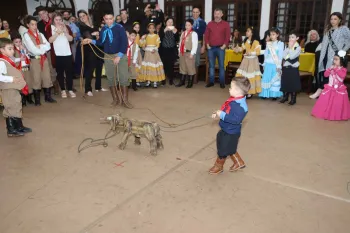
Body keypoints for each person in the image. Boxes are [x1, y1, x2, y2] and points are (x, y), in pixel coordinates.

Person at [83, 12, 132, 108]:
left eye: (110, 18)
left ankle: (125, 100)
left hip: (120, 56)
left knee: (123, 77)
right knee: (111, 78)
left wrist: (119, 56)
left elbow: (124, 42)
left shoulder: (120, 28)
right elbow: (101, 42)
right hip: (108, 56)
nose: (109, 21)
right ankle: (115, 99)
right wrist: (91, 41)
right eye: (106, 19)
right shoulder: (104, 29)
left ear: (113, 18)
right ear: (104, 19)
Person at [209, 77, 250, 174]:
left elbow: (235, 120)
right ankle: (239, 162)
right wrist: (218, 113)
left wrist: (222, 114)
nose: (229, 89)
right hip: (226, 128)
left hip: (231, 131)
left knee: (223, 150)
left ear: (237, 91)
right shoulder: (234, 100)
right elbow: (227, 109)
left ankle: (218, 166)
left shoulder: (241, 107)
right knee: (228, 146)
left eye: (231, 87)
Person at [311, 12, 350, 99]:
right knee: (325, 73)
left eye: (335, 19)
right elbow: (325, 43)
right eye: (331, 19)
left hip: (336, 56)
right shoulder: (328, 30)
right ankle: (324, 92)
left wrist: (343, 50)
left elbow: (349, 41)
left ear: (340, 20)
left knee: (334, 75)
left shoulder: (343, 29)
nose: (333, 21)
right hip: (325, 55)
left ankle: (321, 90)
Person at [0, 38, 32, 137]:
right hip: (8, 88)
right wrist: (11, 79)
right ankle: (11, 129)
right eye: (9, 49)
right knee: (10, 107)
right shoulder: (1, 62)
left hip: (13, 88)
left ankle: (19, 126)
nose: (13, 51)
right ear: (2, 50)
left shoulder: (8, 59)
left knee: (16, 105)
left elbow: (15, 60)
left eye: (13, 49)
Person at [23, 16, 56, 106]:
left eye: (36, 24)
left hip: (43, 59)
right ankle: (37, 100)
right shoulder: (26, 35)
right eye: (32, 24)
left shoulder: (40, 34)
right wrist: (42, 46)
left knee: (46, 77)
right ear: (28, 25)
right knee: (36, 78)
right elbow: (33, 50)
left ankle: (47, 97)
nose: (34, 26)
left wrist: (40, 46)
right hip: (35, 59)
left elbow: (48, 46)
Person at [311, 51, 350, 121]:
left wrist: (336, 69)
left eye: (336, 59)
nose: (334, 61)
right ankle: (324, 113)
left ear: (342, 61)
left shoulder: (343, 69)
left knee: (336, 103)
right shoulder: (332, 67)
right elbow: (326, 75)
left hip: (338, 89)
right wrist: (329, 70)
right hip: (330, 87)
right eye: (334, 59)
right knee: (325, 101)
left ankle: (335, 115)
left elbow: (342, 77)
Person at [48, 13, 76, 99]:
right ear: (53, 21)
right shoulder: (50, 28)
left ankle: (70, 89)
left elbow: (71, 39)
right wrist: (57, 33)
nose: (59, 21)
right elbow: (50, 40)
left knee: (69, 73)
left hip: (67, 53)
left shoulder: (66, 27)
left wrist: (64, 31)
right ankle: (63, 90)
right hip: (57, 54)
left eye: (60, 20)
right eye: (56, 20)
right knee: (59, 73)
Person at [77, 10, 103, 96]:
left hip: (98, 48)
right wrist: (95, 34)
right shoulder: (82, 27)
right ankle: (88, 89)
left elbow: (100, 38)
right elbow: (89, 37)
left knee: (99, 68)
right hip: (89, 50)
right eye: (80, 17)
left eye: (83, 15)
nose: (82, 18)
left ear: (87, 15)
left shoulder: (95, 25)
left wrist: (98, 35)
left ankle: (98, 87)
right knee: (90, 70)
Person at [204, 8, 231, 88]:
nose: (216, 15)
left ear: (222, 15)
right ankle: (211, 82)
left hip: (221, 48)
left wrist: (224, 46)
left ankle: (222, 82)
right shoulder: (209, 24)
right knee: (211, 66)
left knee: (221, 66)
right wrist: (207, 45)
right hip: (211, 48)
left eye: (218, 14)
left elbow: (227, 36)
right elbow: (206, 35)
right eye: (215, 14)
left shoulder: (226, 24)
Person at [36, 6, 59, 95]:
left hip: (58, 46)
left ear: (47, 13)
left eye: (43, 13)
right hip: (48, 48)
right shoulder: (39, 25)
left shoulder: (54, 20)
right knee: (51, 66)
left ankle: (66, 84)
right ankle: (55, 84)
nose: (42, 15)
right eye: (40, 14)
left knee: (61, 64)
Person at [235, 26, 261, 98]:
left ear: (252, 33)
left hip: (252, 61)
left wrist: (250, 53)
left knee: (250, 76)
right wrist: (237, 49)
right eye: (246, 31)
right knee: (243, 76)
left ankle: (250, 92)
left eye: (248, 31)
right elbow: (242, 48)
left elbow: (258, 52)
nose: (246, 32)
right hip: (246, 60)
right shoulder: (246, 41)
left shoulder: (256, 42)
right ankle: (243, 90)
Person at [259, 28, 284, 100]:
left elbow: (280, 55)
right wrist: (264, 63)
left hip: (275, 64)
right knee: (266, 78)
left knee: (274, 78)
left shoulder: (280, 44)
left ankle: (274, 95)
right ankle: (265, 94)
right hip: (268, 63)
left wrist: (279, 65)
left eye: (273, 34)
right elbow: (266, 54)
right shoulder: (269, 43)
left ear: (277, 35)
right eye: (270, 34)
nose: (272, 36)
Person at [139, 23, 165, 88]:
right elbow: (142, 44)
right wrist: (142, 39)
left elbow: (158, 44)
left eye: (153, 28)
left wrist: (155, 49)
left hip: (154, 53)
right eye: (150, 28)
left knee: (154, 66)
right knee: (148, 66)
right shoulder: (146, 36)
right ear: (148, 29)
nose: (151, 29)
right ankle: (148, 81)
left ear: (155, 29)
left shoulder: (156, 36)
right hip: (147, 53)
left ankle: (155, 81)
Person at [279, 30, 301, 105]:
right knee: (285, 82)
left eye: (292, 37)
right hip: (286, 67)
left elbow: (292, 57)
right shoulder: (287, 46)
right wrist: (289, 48)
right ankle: (285, 96)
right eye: (289, 37)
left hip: (293, 67)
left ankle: (293, 98)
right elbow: (283, 55)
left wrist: (290, 48)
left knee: (293, 83)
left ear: (297, 38)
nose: (290, 39)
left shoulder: (298, 47)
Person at [12, 34, 34, 106]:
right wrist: (19, 58)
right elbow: (12, 60)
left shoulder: (24, 48)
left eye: (19, 41)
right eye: (16, 42)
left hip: (26, 66)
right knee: (21, 83)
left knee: (28, 81)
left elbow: (28, 56)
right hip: (19, 68)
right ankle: (23, 99)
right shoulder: (12, 50)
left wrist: (24, 51)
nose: (18, 43)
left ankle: (29, 97)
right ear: (13, 43)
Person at [176, 19, 198, 88]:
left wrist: (192, 53)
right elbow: (180, 43)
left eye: (189, 25)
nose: (187, 26)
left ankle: (190, 82)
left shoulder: (193, 34)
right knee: (182, 67)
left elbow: (195, 44)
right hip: (183, 52)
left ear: (192, 25)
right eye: (186, 25)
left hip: (189, 53)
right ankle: (182, 81)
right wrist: (179, 51)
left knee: (190, 67)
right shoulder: (183, 33)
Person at [159, 17, 178, 85]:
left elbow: (177, 39)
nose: (170, 23)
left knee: (171, 65)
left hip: (172, 50)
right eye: (168, 22)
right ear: (165, 22)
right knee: (163, 65)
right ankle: (163, 80)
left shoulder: (175, 29)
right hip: (164, 49)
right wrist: (164, 31)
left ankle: (171, 79)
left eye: (171, 22)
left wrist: (175, 33)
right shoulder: (162, 29)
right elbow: (159, 38)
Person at [191, 7, 206, 83]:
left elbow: (204, 35)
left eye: (197, 12)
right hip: (189, 44)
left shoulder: (202, 22)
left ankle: (195, 79)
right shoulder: (188, 21)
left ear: (199, 13)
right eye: (194, 12)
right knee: (189, 61)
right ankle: (189, 78)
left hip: (198, 43)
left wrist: (203, 46)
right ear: (192, 13)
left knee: (196, 61)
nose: (195, 14)